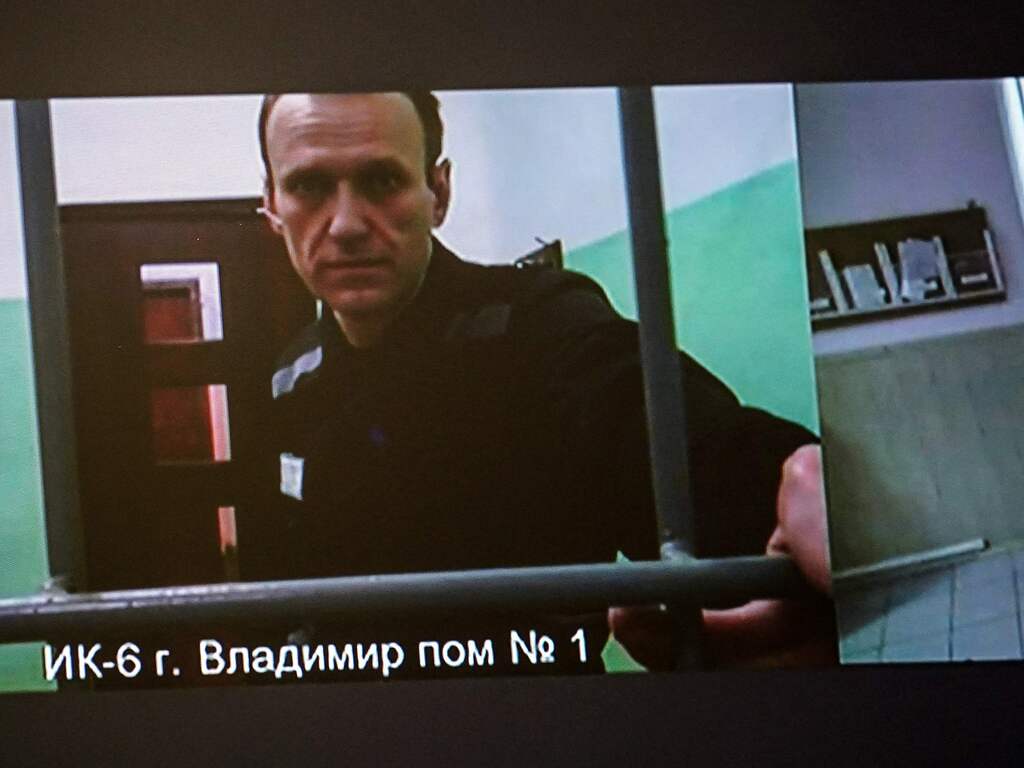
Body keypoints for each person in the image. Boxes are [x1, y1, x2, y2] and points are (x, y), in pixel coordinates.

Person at [245, 91, 834, 673]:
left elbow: (708, 453)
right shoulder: (291, 374)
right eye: (309, 186)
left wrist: (805, 484)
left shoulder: (539, 326)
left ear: (439, 193)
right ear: (272, 205)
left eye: (381, 181)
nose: (346, 224)